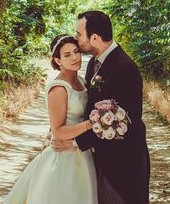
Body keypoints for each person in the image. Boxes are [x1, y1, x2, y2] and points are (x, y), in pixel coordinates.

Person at [52, 11, 150, 204]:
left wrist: (76, 143)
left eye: (79, 34)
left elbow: (124, 122)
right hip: (101, 160)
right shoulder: (93, 65)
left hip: (124, 165)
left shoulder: (124, 68)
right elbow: (89, 111)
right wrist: (63, 130)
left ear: (94, 37)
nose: (76, 39)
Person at [3, 34, 98, 204]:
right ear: (58, 60)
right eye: (67, 55)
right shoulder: (59, 88)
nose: (75, 57)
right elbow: (58, 131)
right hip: (64, 157)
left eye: (76, 51)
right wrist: (92, 124)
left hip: (82, 154)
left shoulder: (82, 81)